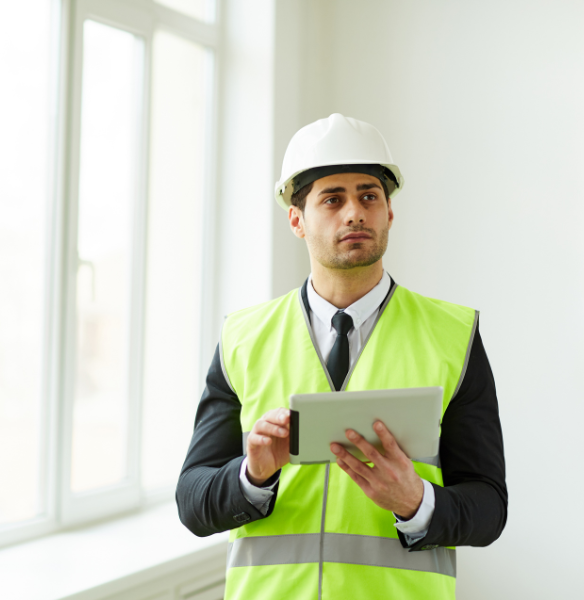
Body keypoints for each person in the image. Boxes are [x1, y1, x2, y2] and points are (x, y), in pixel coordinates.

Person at [176, 114, 507, 599]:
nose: (354, 212)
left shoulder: (453, 335)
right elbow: (192, 501)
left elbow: (488, 507)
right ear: (296, 219)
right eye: (332, 199)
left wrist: (417, 503)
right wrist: (253, 475)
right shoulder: (242, 338)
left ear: (389, 212)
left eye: (368, 196)